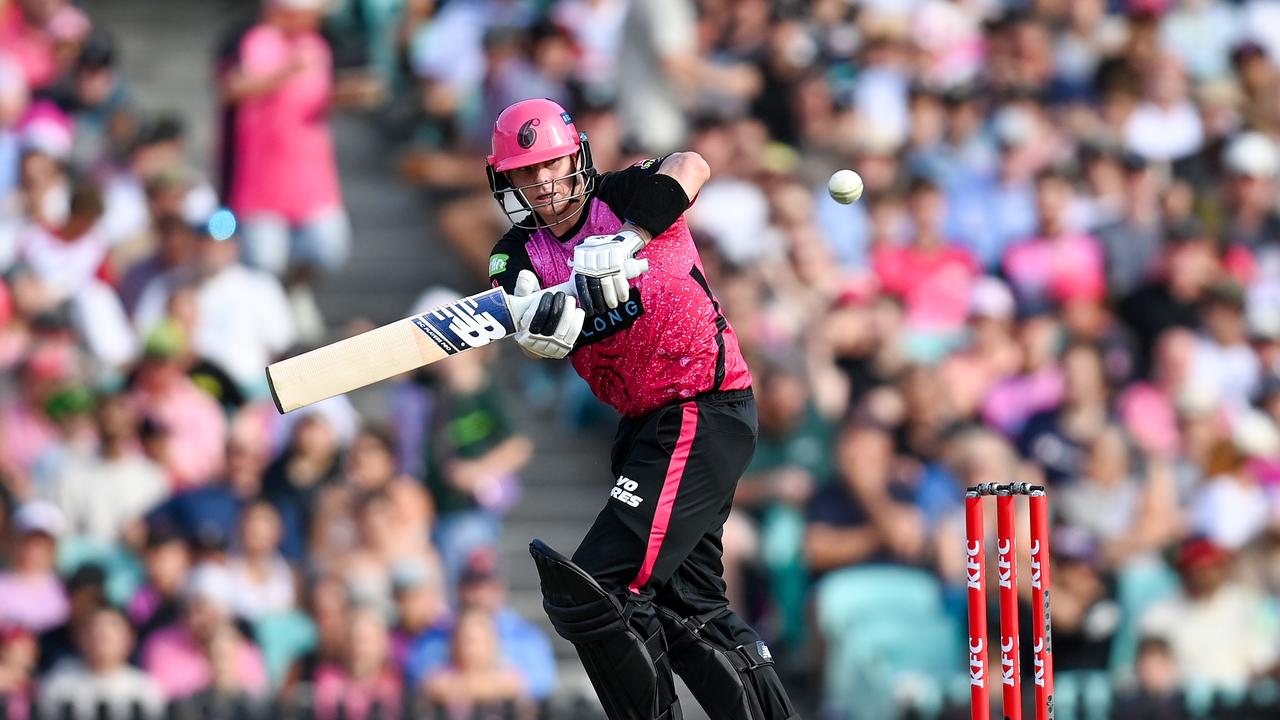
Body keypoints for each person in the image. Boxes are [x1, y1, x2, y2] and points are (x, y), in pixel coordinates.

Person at [484, 97, 797, 719]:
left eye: (551, 164)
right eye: (525, 172)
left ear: (577, 157)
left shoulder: (624, 194)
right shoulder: (516, 251)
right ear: (507, 180)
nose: (543, 183)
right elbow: (510, 299)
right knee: (690, 610)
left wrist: (629, 240)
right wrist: (537, 326)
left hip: (702, 407)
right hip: (645, 426)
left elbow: (694, 163)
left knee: (600, 588)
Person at [38, 606, 164, 720]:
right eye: (94, 632)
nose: (101, 640)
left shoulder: (144, 689)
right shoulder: (58, 684)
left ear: (128, 639)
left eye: (108, 635)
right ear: (80, 638)